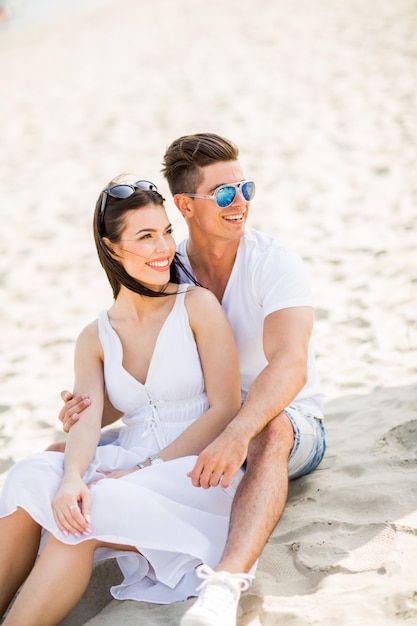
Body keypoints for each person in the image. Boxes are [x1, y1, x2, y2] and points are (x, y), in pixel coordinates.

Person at [59, 133, 326, 626]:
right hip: (202, 425)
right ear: (185, 205)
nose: (240, 202)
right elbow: (151, 375)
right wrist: (91, 408)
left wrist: (236, 432)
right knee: (61, 454)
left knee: (272, 431)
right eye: (224, 193)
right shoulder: (163, 264)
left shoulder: (273, 262)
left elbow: (290, 365)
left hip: (283, 422)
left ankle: (224, 586)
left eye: (246, 188)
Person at [0, 178, 254, 626]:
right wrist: (72, 478)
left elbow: (225, 408)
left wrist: (141, 469)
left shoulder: (196, 306)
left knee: (79, 521)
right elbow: (86, 421)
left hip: (192, 472)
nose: (164, 248)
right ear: (111, 248)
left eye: (166, 232)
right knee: (31, 476)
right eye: (145, 236)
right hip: (126, 461)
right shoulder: (93, 337)